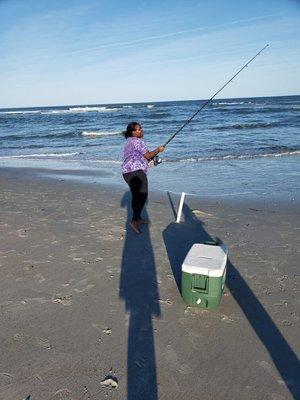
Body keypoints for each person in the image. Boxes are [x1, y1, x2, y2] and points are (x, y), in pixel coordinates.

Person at [122, 122, 165, 234]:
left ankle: (138, 218)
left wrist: (149, 159)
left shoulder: (129, 141)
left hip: (127, 172)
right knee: (142, 195)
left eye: (141, 129)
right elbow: (148, 155)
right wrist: (158, 149)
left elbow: (137, 156)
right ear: (133, 132)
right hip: (135, 172)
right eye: (138, 129)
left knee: (137, 196)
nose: (141, 131)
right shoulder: (137, 141)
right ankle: (134, 221)